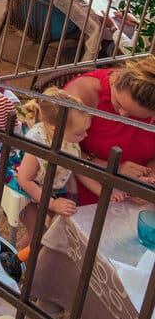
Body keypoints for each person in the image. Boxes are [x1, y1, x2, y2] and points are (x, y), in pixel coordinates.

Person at [61, 56, 155, 204]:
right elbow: (61, 147)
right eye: (118, 103)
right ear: (117, 78)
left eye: (134, 115)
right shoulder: (83, 95)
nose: (122, 114)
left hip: (135, 191)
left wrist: (150, 178)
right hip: (85, 182)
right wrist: (114, 168)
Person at [13, 88, 93, 239]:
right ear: (56, 130)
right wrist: (52, 204)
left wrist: (103, 191)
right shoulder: (37, 144)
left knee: (56, 231)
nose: (85, 135)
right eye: (79, 133)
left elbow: (78, 169)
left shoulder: (68, 138)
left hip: (47, 186)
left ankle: (26, 253)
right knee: (37, 232)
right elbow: (24, 180)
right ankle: (22, 254)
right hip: (25, 189)